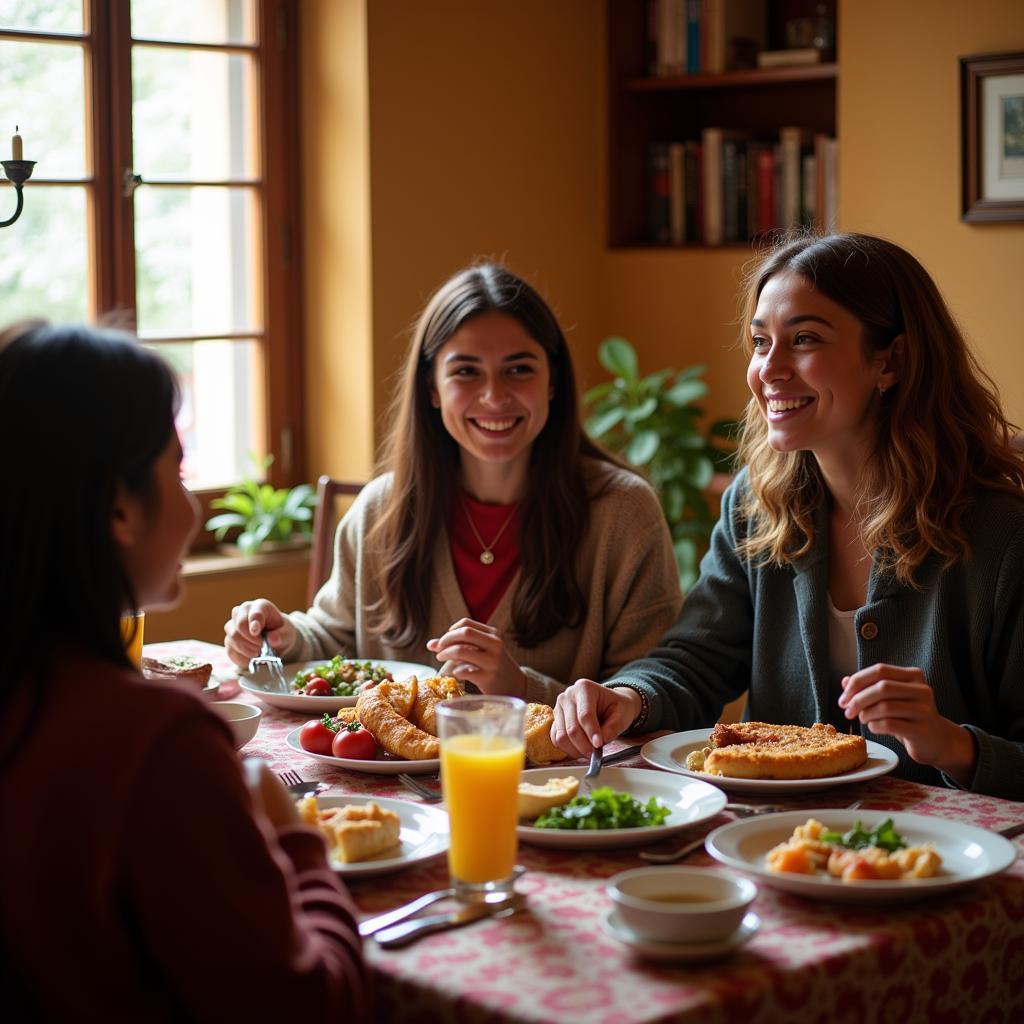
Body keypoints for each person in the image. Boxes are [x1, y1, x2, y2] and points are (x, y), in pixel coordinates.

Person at [552, 232, 1024, 801]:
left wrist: (952, 744)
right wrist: (630, 697)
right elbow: (698, 658)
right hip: (773, 841)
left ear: (891, 360)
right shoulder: (756, 505)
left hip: (944, 861)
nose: (768, 370)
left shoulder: (1002, 534)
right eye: (759, 342)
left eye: (803, 339)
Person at [0, 322, 367, 1019]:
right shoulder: (154, 740)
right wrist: (291, 835)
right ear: (118, 508)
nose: (195, 508)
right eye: (178, 474)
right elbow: (310, 1007)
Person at [224, 263, 681, 704]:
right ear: (432, 389)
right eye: (466, 371)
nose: (494, 396)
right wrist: (284, 636)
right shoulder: (379, 511)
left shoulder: (623, 514)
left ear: (553, 381)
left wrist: (521, 689)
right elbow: (336, 636)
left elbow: (650, 697)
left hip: (555, 782)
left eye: (519, 369)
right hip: (388, 779)